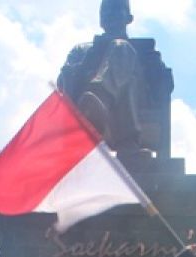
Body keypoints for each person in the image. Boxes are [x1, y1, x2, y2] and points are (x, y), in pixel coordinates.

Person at [58, 0, 146, 153]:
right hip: (85, 105)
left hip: (126, 103)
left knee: (121, 46)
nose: (109, 14)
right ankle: (94, 107)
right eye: (105, 11)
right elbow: (62, 81)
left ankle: (98, 101)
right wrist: (85, 63)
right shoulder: (81, 50)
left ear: (129, 18)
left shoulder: (143, 50)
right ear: (100, 20)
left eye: (116, 10)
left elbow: (162, 85)